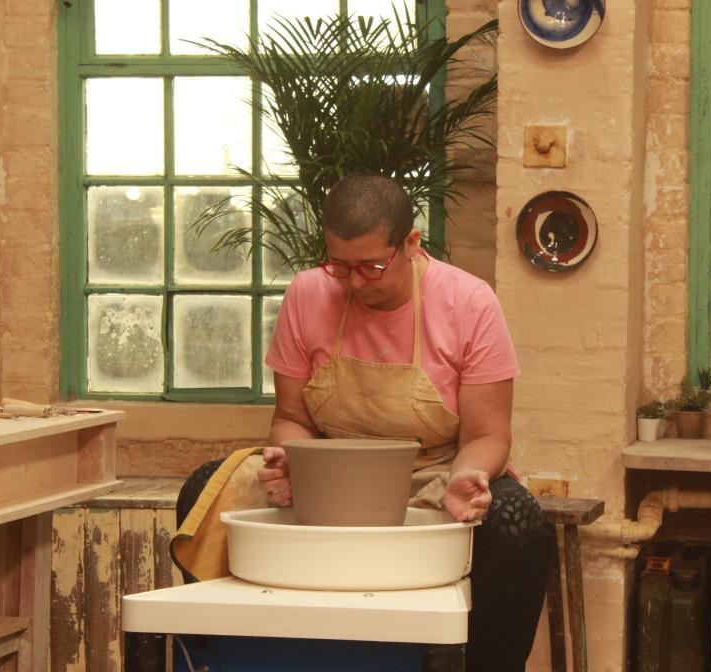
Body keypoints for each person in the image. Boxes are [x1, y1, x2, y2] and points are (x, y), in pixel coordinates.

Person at [177, 174, 552, 671]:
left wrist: (468, 477)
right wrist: (290, 461)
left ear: (411, 243)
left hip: (434, 476)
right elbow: (291, 418)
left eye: (371, 266)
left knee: (515, 520)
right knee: (205, 488)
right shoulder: (308, 294)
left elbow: (487, 434)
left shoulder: (468, 302)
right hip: (328, 475)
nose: (353, 283)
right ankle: (228, 654)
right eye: (339, 265)